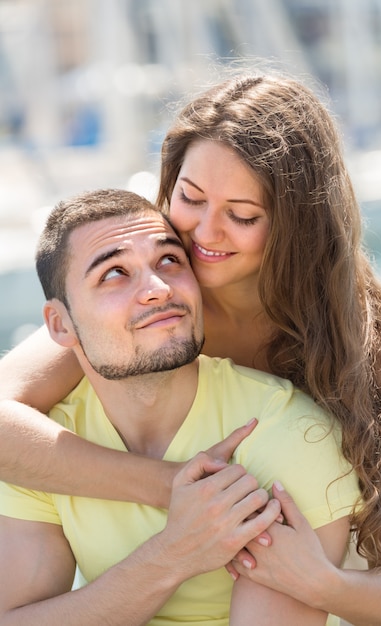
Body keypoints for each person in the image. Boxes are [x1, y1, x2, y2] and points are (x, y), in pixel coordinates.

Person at [0, 70, 381, 624]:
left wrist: (326, 586)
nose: (203, 234)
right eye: (190, 199)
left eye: (242, 216)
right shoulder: (156, 320)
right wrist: (173, 486)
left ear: (299, 226)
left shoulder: (371, 353)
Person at [0, 188, 359, 625]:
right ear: (61, 324)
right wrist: (174, 555)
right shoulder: (41, 448)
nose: (156, 288)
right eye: (114, 273)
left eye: (169, 260)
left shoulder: (286, 432)